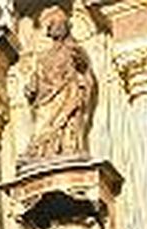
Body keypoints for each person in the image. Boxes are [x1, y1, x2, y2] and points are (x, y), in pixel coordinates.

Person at [22, 3, 98, 160]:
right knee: (42, 130)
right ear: (49, 30)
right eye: (54, 25)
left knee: (67, 125)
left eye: (61, 24)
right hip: (46, 102)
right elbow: (36, 79)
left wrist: (81, 66)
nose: (58, 28)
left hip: (68, 95)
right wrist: (30, 88)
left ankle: (67, 148)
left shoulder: (74, 49)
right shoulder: (43, 58)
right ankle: (42, 152)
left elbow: (85, 72)